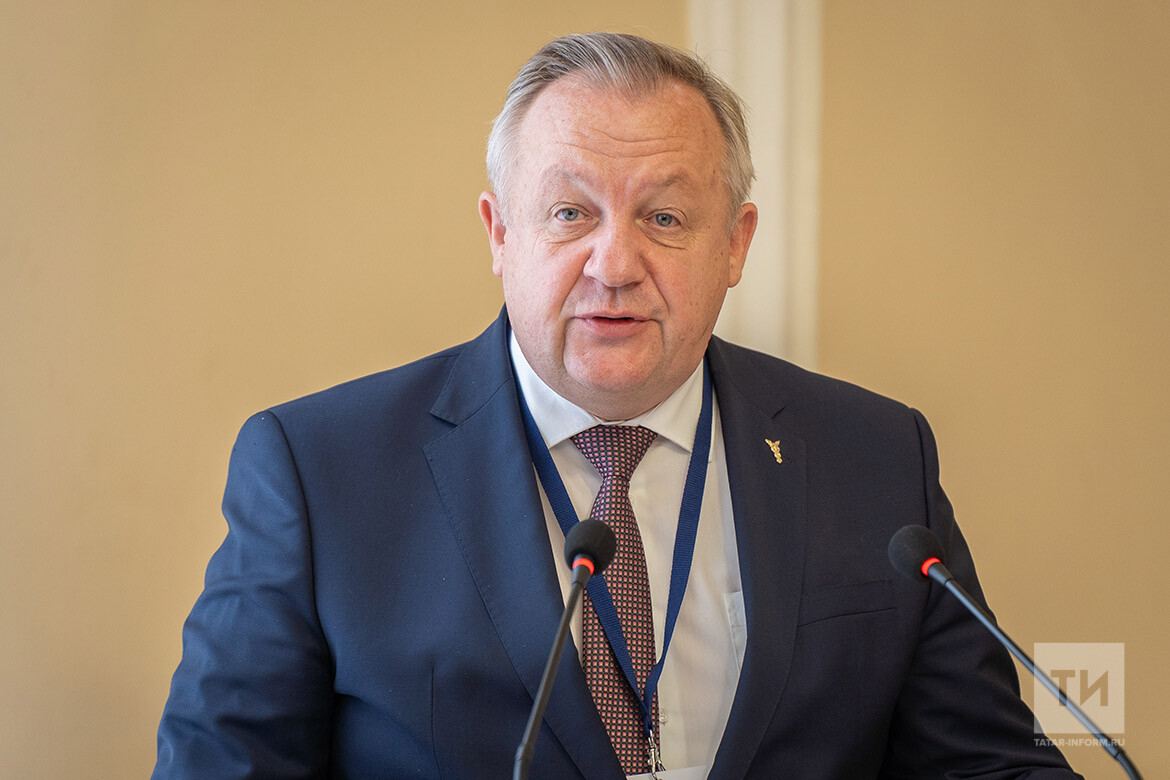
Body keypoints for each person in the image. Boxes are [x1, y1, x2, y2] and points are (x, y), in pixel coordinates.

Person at [153, 33, 1080, 779]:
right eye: (570, 214)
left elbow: (984, 763)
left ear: (735, 244)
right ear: (500, 234)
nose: (615, 264)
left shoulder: (874, 458)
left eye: (665, 218)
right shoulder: (321, 473)